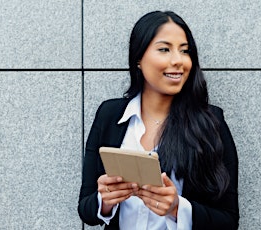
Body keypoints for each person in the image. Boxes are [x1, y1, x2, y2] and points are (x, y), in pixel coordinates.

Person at [78, 11, 239, 230]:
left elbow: (228, 221)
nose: (178, 61)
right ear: (138, 59)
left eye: (184, 51)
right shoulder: (110, 115)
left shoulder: (211, 123)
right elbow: (86, 210)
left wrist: (177, 208)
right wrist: (104, 200)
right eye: (164, 49)